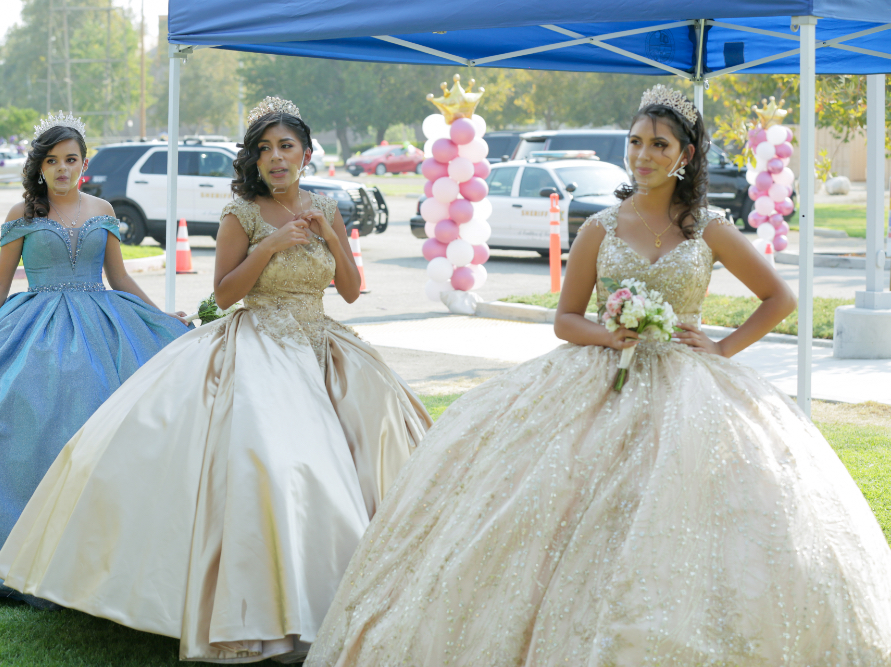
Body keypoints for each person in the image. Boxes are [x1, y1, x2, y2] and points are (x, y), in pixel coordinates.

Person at [304, 86, 891, 665]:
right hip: (598, 375)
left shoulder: (708, 227)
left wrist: (721, 347)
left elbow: (778, 297)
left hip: (691, 384)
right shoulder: (599, 228)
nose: (644, 155)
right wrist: (608, 334)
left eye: (659, 144)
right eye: (636, 142)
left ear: (685, 155)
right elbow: (564, 319)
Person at [0, 98, 431, 661]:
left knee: (383, 444)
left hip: (325, 343)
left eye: (287, 147)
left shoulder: (326, 207)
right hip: (262, 341)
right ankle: (280, 606)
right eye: (266, 149)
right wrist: (270, 244)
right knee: (277, 461)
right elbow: (225, 293)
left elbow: (347, 289)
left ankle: (370, 586)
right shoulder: (239, 213)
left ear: (306, 153)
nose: (276, 158)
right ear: (254, 158)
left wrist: (331, 234)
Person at [0, 113, 191, 605]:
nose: (62, 169)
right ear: (41, 167)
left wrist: (161, 317)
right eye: (52, 161)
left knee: (109, 411)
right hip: (36, 317)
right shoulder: (23, 213)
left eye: (70, 159)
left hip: (102, 320)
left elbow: (121, 278)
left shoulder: (103, 209)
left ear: (84, 163)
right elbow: (0, 281)